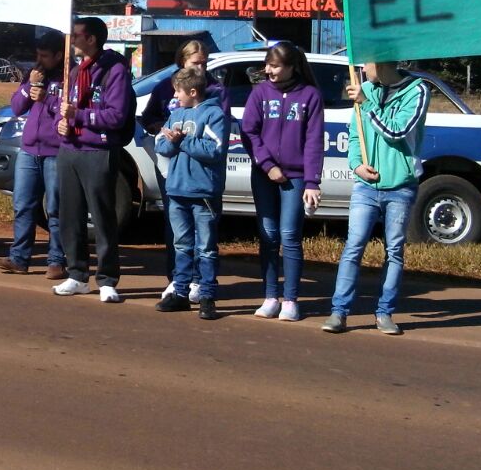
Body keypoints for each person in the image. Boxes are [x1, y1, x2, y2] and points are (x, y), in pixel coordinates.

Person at [324, 61, 429, 336]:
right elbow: (355, 134)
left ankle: (384, 313)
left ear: (381, 64)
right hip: (365, 186)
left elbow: (397, 131)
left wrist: (367, 103)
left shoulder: (417, 91)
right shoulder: (367, 89)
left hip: (400, 187)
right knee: (353, 246)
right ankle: (339, 311)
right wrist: (356, 165)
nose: (362, 69)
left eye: (367, 63)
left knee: (394, 250)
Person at [52, 16, 136, 303]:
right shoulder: (75, 71)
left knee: (102, 217)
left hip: (98, 151)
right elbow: (64, 109)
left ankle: (107, 279)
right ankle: (77, 275)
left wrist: (79, 116)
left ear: (91, 39)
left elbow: (116, 116)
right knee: (70, 216)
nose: (72, 40)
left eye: (76, 35)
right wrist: (62, 124)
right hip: (70, 149)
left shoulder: (114, 71)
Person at [240, 41, 325, 321]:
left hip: (296, 177)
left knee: (289, 235)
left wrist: (312, 181)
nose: (268, 70)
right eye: (267, 64)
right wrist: (267, 165)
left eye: (275, 66)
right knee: (268, 235)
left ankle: (290, 300)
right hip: (264, 175)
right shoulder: (260, 93)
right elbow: (248, 132)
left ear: (291, 67)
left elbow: (314, 141)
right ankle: (270, 296)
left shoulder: (310, 95)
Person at [142, 39, 230, 308]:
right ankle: (180, 291)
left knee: (205, 246)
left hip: (203, 190)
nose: (175, 97)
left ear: (192, 91)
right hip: (177, 188)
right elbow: (162, 145)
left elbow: (215, 149)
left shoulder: (214, 113)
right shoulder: (176, 114)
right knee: (181, 243)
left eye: (178, 92)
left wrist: (183, 141)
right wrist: (170, 141)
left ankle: (207, 295)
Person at [0, 30, 67, 279]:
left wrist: (46, 99)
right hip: (29, 149)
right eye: (38, 55)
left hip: (55, 151)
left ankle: (57, 260)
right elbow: (16, 106)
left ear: (59, 55)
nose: (40, 60)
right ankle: (19, 258)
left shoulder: (69, 77)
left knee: (55, 208)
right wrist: (30, 86)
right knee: (23, 205)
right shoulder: (35, 74)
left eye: (45, 56)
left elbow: (68, 111)